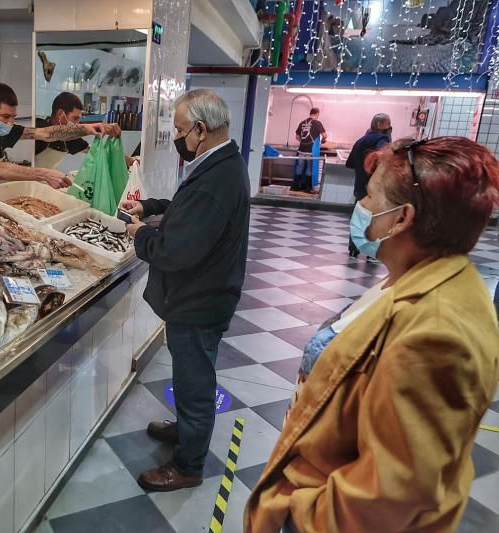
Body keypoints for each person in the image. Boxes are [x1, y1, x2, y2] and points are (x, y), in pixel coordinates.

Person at [245, 136, 499, 532]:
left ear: (402, 218)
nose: (361, 205)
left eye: (371, 196)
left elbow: (389, 496)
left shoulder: (438, 334)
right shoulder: (410, 279)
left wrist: (299, 510)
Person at [122, 89, 250, 491]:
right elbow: (189, 210)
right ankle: (186, 431)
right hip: (203, 294)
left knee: (195, 383)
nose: (177, 137)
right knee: (189, 372)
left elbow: (177, 250)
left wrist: (141, 235)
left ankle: (188, 466)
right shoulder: (221, 162)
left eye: (179, 129)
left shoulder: (218, 176)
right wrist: (154, 206)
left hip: (200, 300)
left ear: (200, 129)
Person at [0, 83, 117, 193]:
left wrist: (86, 129)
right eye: (5, 116)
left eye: (13, 117)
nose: (10, 122)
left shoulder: (5, 131)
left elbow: (46, 133)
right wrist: (44, 174)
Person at [34, 92, 121, 170]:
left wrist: (126, 159)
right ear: (60, 114)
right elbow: (50, 133)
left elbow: (94, 151)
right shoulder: (38, 126)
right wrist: (88, 128)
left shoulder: (70, 138)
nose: (76, 123)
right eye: (75, 118)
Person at [346, 113, 392, 259]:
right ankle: (371, 254)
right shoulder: (383, 139)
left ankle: (353, 249)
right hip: (375, 189)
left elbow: (350, 163)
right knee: (375, 220)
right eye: (388, 124)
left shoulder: (361, 140)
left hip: (359, 187)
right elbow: (384, 157)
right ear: (379, 125)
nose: (390, 127)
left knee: (358, 219)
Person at [293, 108, 327, 192]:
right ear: (317, 114)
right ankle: (307, 188)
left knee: (300, 167)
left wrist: (304, 142)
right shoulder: (317, 123)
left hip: (301, 150)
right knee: (309, 168)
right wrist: (322, 141)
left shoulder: (302, 123)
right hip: (311, 150)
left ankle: (295, 186)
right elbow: (324, 135)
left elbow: (297, 137)